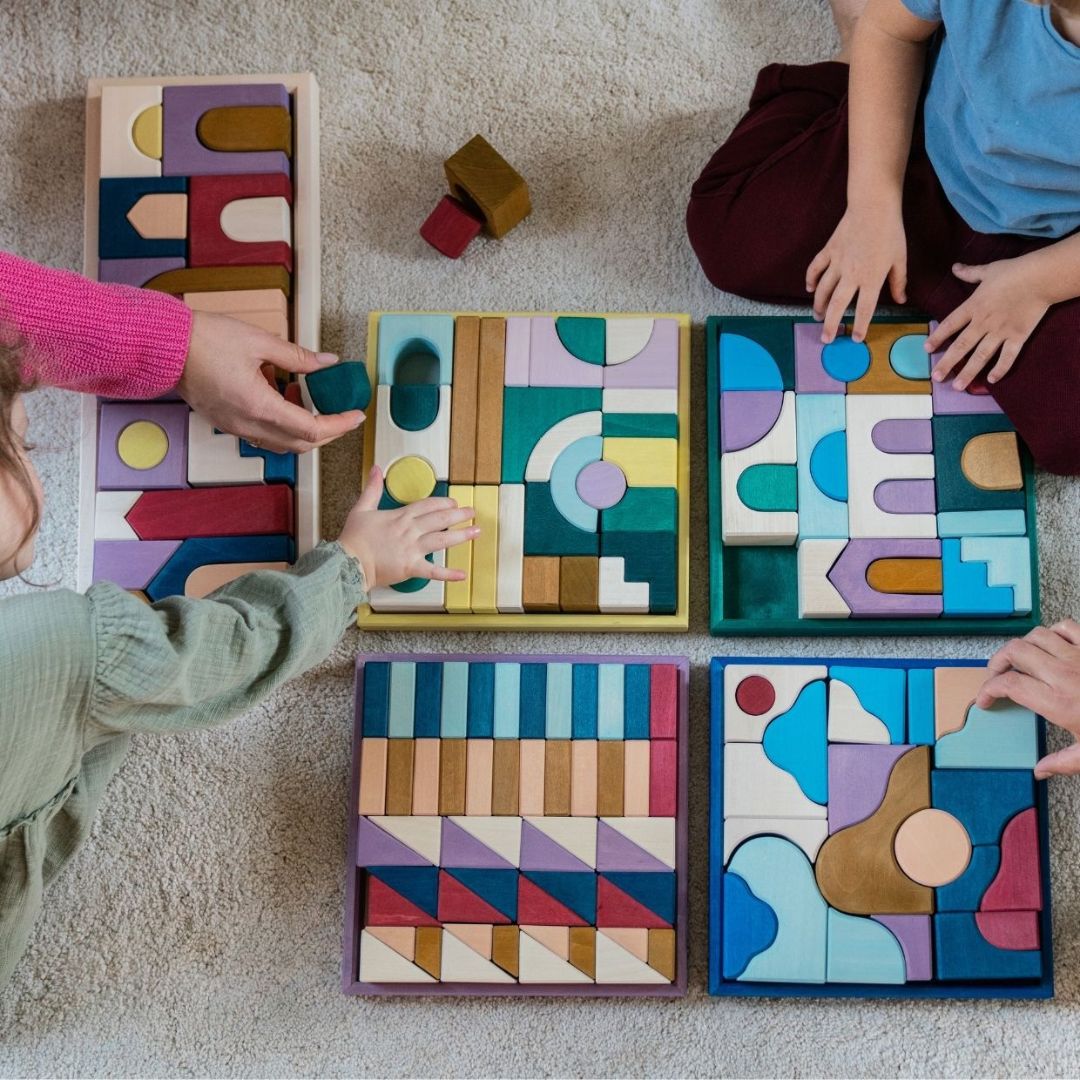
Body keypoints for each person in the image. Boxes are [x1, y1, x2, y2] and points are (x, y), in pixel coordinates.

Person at [0, 252, 478, 986]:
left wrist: (177, 347)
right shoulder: (66, 649)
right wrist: (354, 567)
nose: (39, 458)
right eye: (24, 445)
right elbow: (224, 650)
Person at [686, 0, 1080, 474]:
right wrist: (871, 206)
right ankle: (850, 55)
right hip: (916, 153)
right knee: (730, 229)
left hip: (1055, 247)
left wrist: (1038, 284)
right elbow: (894, 34)